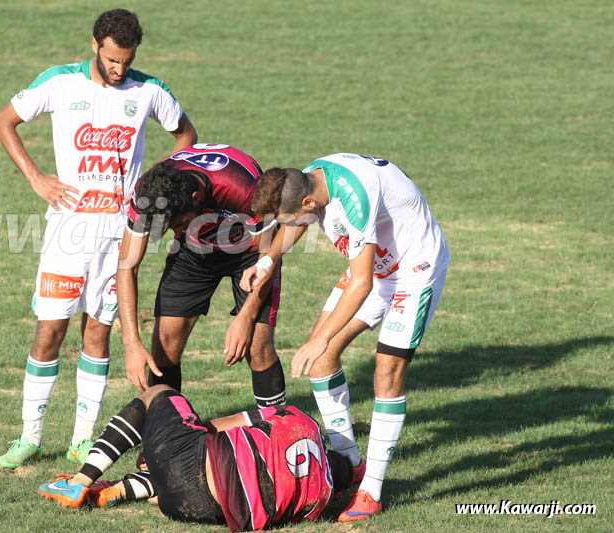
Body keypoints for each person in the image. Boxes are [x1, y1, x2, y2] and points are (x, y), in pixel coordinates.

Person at [0, 8, 197, 468]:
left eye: (126, 60)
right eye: (111, 60)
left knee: (98, 334)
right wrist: (36, 177)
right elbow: (4, 121)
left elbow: (186, 135)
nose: (119, 69)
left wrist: (157, 184)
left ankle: (82, 439)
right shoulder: (60, 82)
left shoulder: (149, 91)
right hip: (69, 230)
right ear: (94, 45)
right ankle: (29, 436)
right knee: (50, 331)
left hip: (119, 234)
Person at [244, 153, 450, 521]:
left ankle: (370, 490)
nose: (286, 225)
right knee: (322, 360)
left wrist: (320, 337)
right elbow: (298, 223)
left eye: (287, 217)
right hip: (374, 269)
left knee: (386, 372)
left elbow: (361, 283)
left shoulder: (354, 197)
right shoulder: (310, 180)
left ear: (308, 202)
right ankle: (349, 462)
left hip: (413, 273)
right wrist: (267, 260)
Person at [38, 385, 354, 531]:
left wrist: (170, 440)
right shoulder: (318, 500)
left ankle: (80, 481)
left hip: (199, 464)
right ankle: (120, 490)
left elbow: (221, 425)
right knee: (193, 474)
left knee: (159, 394)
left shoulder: (303, 421)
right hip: (203, 510)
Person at [116, 143, 287, 408]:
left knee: (257, 345)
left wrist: (246, 317)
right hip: (194, 249)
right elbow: (127, 265)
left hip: (252, 253)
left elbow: (269, 257)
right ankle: (166, 437)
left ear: (196, 197)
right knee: (164, 342)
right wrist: (131, 343)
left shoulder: (242, 188)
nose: (175, 229)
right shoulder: (148, 192)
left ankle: (281, 435)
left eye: (180, 223)